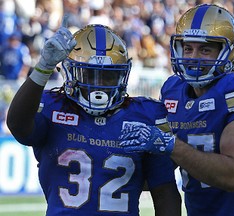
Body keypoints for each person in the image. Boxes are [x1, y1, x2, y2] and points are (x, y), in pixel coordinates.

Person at [6, 16, 181, 216]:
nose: (98, 85)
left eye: (107, 76)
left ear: (122, 75)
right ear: (71, 74)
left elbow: (164, 191)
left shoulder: (144, 115)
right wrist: (43, 68)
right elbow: (18, 126)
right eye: (89, 74)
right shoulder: (54, 107)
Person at [119, 4, 234, 216]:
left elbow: (232, 176)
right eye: (188, 48)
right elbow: (158, 175)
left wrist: (168, 144)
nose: (193, 57)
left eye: (205, 49)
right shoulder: (173, 90)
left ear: (228, 53)